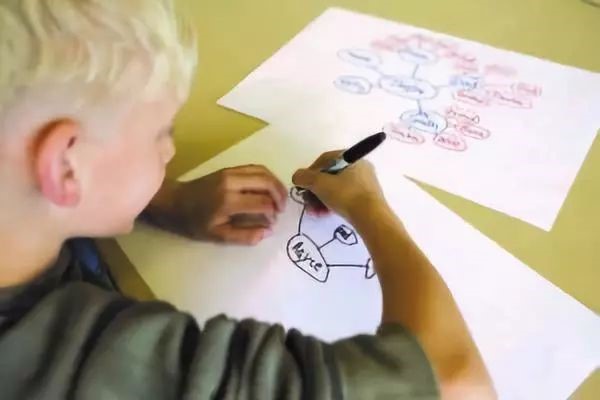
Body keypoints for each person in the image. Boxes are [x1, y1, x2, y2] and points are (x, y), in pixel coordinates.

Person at [0, 1, 496, 399]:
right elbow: (455, 383)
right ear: (67, 166)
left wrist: (161, 199)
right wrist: (371, 209)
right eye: (161, 133)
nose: (169, 151)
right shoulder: (94, 370)